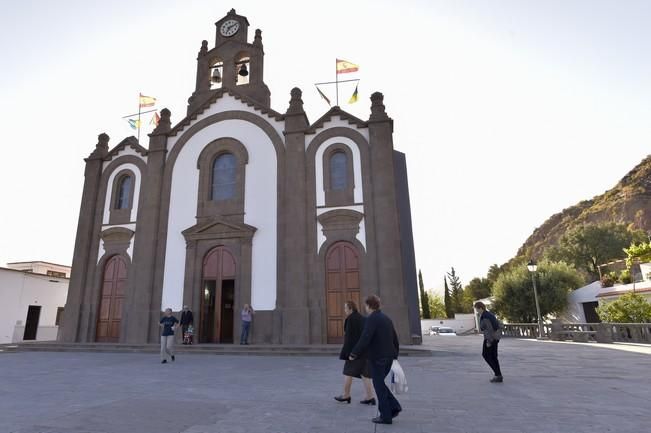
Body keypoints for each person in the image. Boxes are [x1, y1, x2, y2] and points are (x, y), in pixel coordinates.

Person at [349, 295, 401, 425]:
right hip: (388, 357)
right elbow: (395, 338)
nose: (365, 308)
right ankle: (394, 407)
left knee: (378, 386)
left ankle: (386, 416)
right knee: (380, 384)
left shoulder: (371, 319)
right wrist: (395, 354)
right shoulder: (386, 318)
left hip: (378, 358)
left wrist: (354, 353)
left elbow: (365, 337)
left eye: (365, 306)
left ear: (368, 306)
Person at [334, 301, 376, 405]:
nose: (344, 310)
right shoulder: (362, 318)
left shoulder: (350, 319)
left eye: (345, 308)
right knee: (365, 374)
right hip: (364, 351)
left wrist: (348, 354)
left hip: (354, 352)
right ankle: (370, 397)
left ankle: (346, 395)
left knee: (348, 372)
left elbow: (349, 339)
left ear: (350, 308)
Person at [474, 301, 503, 383]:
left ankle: (498, 375)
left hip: (490, 338)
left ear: (480, 308)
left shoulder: (485, 316)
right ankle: (498, 375)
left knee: (486, 355)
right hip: (495, 338)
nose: (477, 311)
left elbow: (490, 330)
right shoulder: (489, 314)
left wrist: (489, 341)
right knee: (493, 357)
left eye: (477, 309)